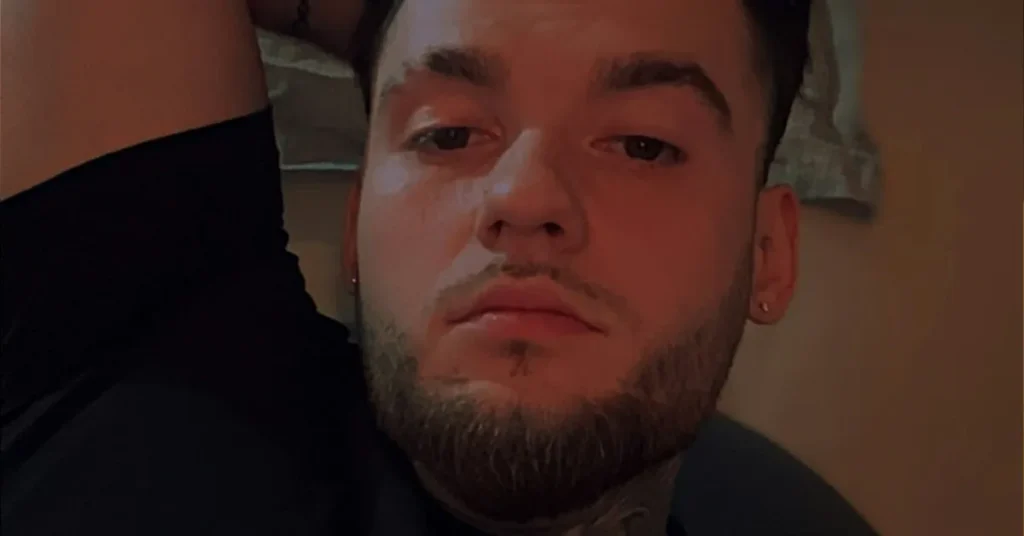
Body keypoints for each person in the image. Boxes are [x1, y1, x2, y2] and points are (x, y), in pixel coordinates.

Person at [3, 0, 874, 534]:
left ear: (768, 253)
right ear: (357, 228)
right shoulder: (147, 363)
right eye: (449, 133)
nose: (524, 197)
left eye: (643, 145)